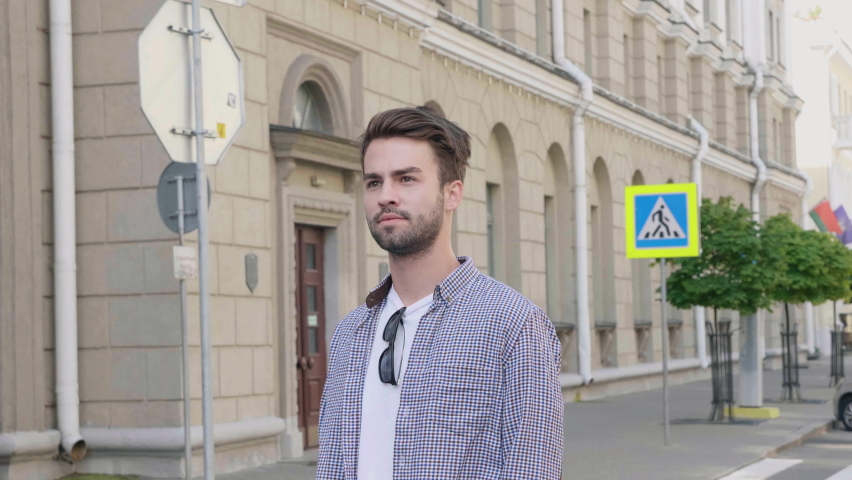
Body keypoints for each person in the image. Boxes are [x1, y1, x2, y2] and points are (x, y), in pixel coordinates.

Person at [315, 105, 563, 480]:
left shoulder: (512, 324)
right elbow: (333, 464)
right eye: (374, 182)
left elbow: (534, 469)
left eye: (407, 179)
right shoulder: (350, 332)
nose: (386, 196)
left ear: (452, 194)